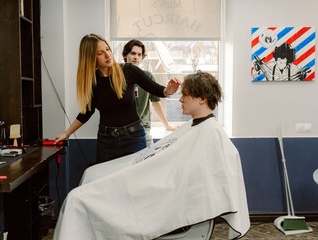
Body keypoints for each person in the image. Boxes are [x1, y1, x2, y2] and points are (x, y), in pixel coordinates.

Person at [53, 71, 250, 240]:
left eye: (186, 95)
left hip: (159, 188)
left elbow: (188, 179)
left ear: (202, 98)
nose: (180, 99)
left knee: (77, 199)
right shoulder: (194, 126)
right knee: (91, 174)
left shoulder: (211, 133)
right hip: (154, 178)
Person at [54, 34, 181, 163]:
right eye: (100, 53)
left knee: (137, 180)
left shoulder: (128, 70)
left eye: (108, 49)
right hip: (106, 141)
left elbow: (157, 89)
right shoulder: (91, 81)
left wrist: (168, 90)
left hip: (134, 138)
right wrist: (67, 133)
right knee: (107, 180)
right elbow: (87, 111)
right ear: (90, 58)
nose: (108, 55)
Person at [122, 40, 177, 146]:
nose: (136, 57)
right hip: (122, 130)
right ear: (125, 55)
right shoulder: (116, 77)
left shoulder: (147, 76)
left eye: (139, 55)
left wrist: (167, 125)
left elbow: (156, 102)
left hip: (143, 129)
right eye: (133, 53)